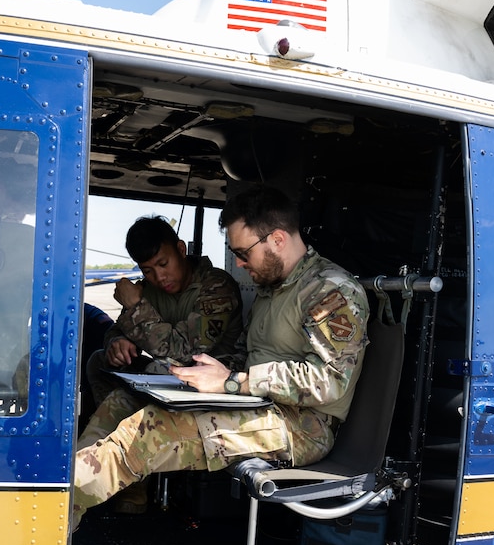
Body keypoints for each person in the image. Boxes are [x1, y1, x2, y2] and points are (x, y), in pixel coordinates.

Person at [71, 186, 370, 526]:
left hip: (302, 426)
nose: (239, 264)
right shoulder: (272, 292)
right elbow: (244, 357)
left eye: (243, 253)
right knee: (121, 405)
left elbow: (328, 382)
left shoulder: (330, 291)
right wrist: (205, 378)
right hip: (257, 404)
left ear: (277, 240)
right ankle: (62, 493)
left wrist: (232, 382)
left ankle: (47, 508)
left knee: (153, 429)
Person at [87, 216, 244, 404]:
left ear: (181, 249)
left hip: (215, 379)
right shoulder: (148, 291)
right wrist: (118, 342)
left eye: (163, 264)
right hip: (170, 374)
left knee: (156, 369)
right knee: (99, 361)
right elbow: (117, 329)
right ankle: (112, 423)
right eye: (148, 271)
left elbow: (184, 354)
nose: (159, 277)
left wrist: (136, 307)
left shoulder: (217, 286)